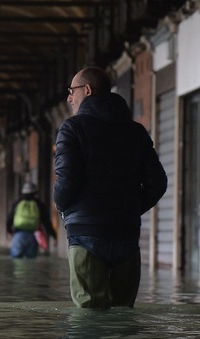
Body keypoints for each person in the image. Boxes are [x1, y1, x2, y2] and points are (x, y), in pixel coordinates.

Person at [54, 66, 167, 308]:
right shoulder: (136, 131)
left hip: (86, 234)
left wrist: (61, 205)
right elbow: (158, 183)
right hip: (126, 234)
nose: (69, 97)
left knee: (90, 318)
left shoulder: (72, 128)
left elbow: (66, 181)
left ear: (87, 90)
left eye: (71, 91)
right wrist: (131, 209)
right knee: (123, 316)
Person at [6, 182, 57, 259]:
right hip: (33, 236)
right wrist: (54, 235)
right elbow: (46, 222)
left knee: (16, 260)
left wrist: (9, 231)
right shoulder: (39, 204)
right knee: (31, 260)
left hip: (18, 235)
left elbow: (10, 218)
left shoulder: (17, 202)